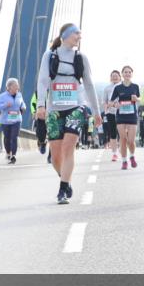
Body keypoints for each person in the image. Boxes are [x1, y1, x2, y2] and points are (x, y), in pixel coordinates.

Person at [36, 23, 102, 204]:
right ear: (65, 35)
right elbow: (42, 81)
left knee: (68, 147)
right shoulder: (49, 56)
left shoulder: (81, 58)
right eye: (76, 34)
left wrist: (96, 112)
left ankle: (62, 190)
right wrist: (40, 105)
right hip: (54, 109)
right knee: (56, 155)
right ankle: (65, 178)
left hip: (76, 106)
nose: (79, 37)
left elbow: (89, 85)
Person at [110, 66, 141, 170]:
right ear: (122, 74)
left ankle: (132, 156)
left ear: (132, 74)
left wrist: (137, 99)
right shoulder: (118, 88)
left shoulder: (135, 86)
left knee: (131, 141)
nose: (127, 74)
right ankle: (124, 161)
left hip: (132, 116)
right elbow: (111, 102)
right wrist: (115, 105)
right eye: (125, 72)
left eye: (129, 72)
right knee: (123, 139)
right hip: (121, 116)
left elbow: (140, 99)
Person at [0, 78, 26, 164]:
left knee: (14, 137)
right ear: (9, 87)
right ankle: (8, 153)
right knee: (7, 138)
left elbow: (22, 103)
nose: (17, 88)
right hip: (6, 121)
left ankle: (13, 156)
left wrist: (23, 108)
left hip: (17, 119)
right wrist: (5, 105)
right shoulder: (2, 96)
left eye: (17, 86)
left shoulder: (19, 95)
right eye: (16, 86)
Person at [101, 69, 121, 161]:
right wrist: (106, 110)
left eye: (116, 75)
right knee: (113, 133)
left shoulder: (122, 86)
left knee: (122, 133)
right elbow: (104, 101)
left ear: (120, 77)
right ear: (110, 77)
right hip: (110, 112)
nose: (114, 77)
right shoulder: (107, 88)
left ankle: (122, 149)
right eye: (113, 75)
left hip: (121, 112)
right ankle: (114, 153)